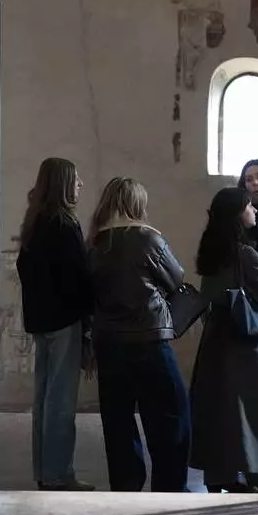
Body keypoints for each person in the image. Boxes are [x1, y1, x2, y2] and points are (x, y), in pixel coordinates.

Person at [88, 177, 191, 492]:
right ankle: (169, 486)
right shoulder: (148, 239)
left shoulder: (94, 243)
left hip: (108, 341)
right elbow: (177, 279)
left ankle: (126, 485)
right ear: (137, 205)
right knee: (170, 415)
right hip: (149, 338)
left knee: (117, 419)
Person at [189, 187, 258, 493]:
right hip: (244, 343)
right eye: (249, 206)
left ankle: (219, 475)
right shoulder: (246, 254)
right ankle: (256, 473)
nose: (254, 210)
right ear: (237, 214)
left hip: (217, 337)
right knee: (250, 412)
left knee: (219, 411)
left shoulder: (212, 251)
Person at [16, 158, 95, 491]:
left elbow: (24, 269)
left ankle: (44, 471)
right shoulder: (64, 223)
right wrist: (88, 321)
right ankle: (58, 474)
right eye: (76, 180)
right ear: (64, 183)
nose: (81, 185)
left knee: (44, 399)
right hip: (64, 320)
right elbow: (79, 276)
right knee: (61, 401)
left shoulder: (35, 221)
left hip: (41, 319)